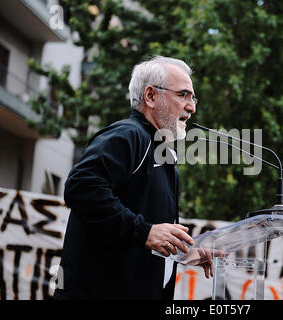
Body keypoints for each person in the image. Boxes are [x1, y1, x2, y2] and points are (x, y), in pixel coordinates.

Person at [53, 56, 212, 300]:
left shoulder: (162, 150)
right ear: (151, 96)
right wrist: (144, 232)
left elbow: (147, 233)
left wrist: (181, 251)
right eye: (183, 95)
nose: (192, 107)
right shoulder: (128, 135)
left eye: (193, 97)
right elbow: (81, 187)